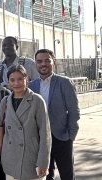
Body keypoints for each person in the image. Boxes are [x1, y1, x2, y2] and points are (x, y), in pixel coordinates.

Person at [29, 49, 80, 180]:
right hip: (40, 139)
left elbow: (74, 111)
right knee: (45, 174)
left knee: (67, 174)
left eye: (47, 60)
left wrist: (71, 136)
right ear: (35, 64)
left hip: (62, 137)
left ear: (54, 62)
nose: (43, 64)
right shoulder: (31, 86)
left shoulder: (64, 82)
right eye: (39, 61)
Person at [0, 64, 51, 180]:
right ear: (8, 81)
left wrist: (43, 162)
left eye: (20, 79)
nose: (16, 83)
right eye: (12, 80)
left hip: (31, 159)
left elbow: (45, 134)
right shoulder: (5, 101)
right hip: (10, 158)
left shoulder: (37, 100)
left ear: (27, 79)